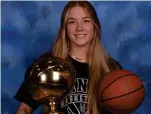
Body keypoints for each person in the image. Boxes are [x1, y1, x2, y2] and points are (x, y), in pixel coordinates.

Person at [15, 1, 123, 114]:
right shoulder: (47, 65)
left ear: (95, 26)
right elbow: (24, 109)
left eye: (86, 21)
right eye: (72, 22)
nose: (79, 28)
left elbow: (123, 107)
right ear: (64, 28)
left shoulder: (111, 68)